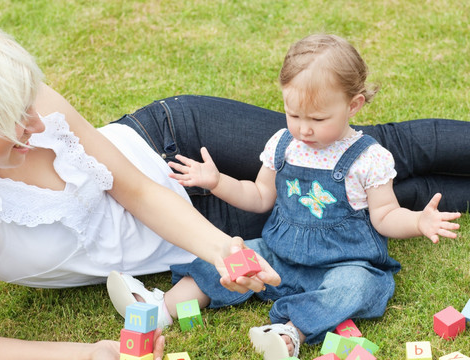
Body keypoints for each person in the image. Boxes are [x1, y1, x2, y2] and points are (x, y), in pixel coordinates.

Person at [0, 14, 281, 360]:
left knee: (335, 156)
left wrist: (223, 251)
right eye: (14, 116)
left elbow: (138, 191)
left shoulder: (25, 101)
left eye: (29, 102)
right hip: (196, 223)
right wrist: (90, 355)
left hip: (174, 142)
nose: (38, 122)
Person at [108, 34, 463, 360]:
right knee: (230, 260)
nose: (304, 128)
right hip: (277, 255)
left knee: (359, 287)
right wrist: (218, 182)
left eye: (319, 118)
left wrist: (418, 220)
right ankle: (159, 309)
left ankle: (290, 332)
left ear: (353, 106)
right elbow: (260, 196)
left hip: (343, 264)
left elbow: (384, 215)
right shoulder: (283, 144)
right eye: (294, 114)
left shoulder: (369, 158)